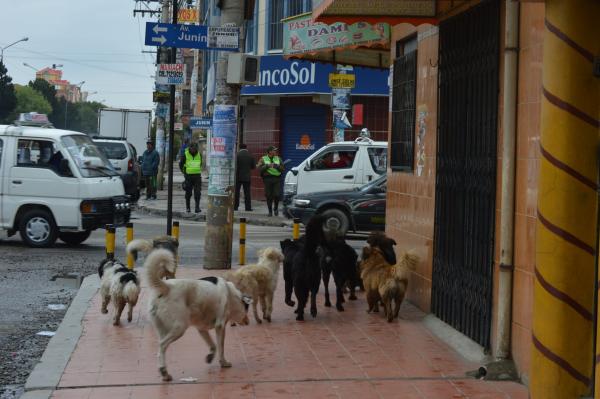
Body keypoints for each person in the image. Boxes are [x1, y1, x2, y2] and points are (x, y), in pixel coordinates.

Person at [257, 145, 284, 217]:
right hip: (267, 179)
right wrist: (267, 166)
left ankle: (275, 208)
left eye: (275, 150)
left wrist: (277, 166)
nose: (275, 151)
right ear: (270, 151)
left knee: (277, 195)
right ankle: (270, 211)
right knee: (268, 195)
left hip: (277, 179)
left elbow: (283, 168)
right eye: (274, 150)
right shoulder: (263, 159)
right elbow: (258, 168)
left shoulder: (278, 158)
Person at [179, 141, 202, 213]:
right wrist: (184, 172)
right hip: (188, 176)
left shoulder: (199, 154)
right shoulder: (185, 155)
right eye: (192, 148)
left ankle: (197, 208)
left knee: (197, 192)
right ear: (190, 148)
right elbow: (181, 164)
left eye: (195, 148)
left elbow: (200, 164)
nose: (194, 149)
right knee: (188, 193)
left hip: (197, 176)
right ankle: (188, 208)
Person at [234, 143, 256, 211]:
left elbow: (234, 166)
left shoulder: (237, 155)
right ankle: (248, 208)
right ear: (246, 148)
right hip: (247, 177)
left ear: (239, 148)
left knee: (236, 192)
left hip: (238, 177)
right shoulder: (250, 155)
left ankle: (235, 207)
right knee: (247, 193)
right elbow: (253, 167)